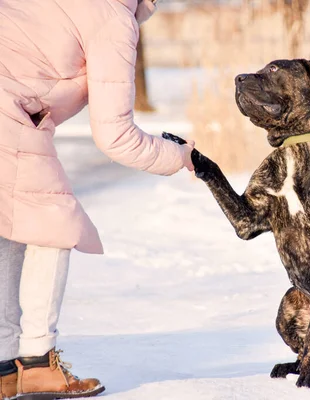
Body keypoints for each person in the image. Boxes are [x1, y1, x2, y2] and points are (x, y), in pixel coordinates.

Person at [0, 0, 194, 398]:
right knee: (54, 225)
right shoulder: (111, 16)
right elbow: (116, 137)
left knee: (11, 229)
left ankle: (5, 367)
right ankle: (36, 363)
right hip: (10, 123)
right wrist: (178, 156)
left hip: (12, 114)